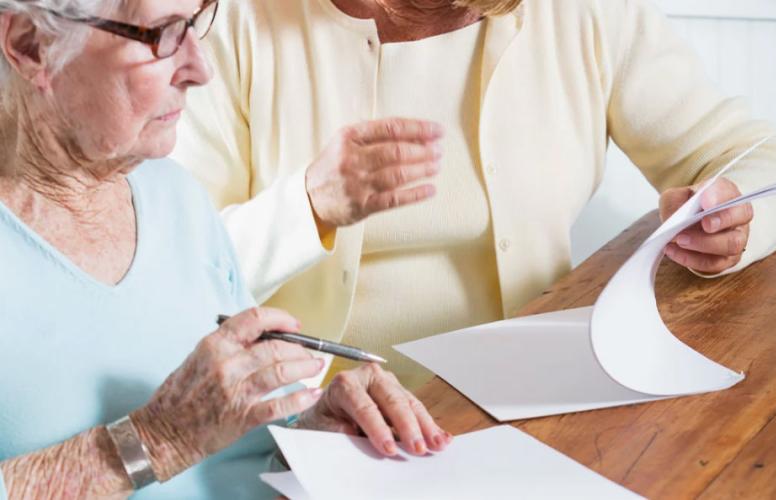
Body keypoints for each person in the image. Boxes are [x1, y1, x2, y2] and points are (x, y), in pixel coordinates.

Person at [172, 0, 776, 390]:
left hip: (540, 398)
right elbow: (171, 274)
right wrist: (307, 206)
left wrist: (736, 213)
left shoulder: (581, 13)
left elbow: (759, 156)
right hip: (317, 418)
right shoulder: (228, 23)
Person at [0, 1, 451, 498]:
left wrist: (313, 436)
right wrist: (155, 440)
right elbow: (176, 439)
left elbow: (231, 451)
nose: (201, 68)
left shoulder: (173, 195)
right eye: (163, 34)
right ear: (29, 45)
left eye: (195, 24)